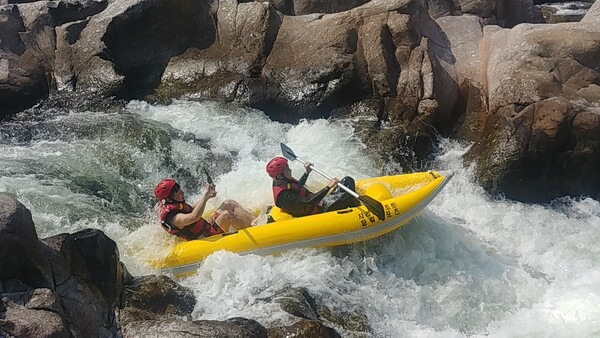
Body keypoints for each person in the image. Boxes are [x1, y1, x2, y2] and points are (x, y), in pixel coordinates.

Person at [154, 179, 254, 240]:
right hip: (205, 237)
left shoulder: (176, 205)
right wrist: (205, 197)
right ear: (169, 198)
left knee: (229, 203)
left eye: (179, 189)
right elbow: (194, 217)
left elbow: (191, 209)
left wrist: (207, 196)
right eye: (177, 192)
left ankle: (256, 222)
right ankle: (254, 231)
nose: (182, 192)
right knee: (226, 215)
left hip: (207, 229)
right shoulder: (174, 218)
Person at [266, 157, 360, 217]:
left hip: (318, 203)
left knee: (347, 180)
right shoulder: (285, 196)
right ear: (279, 175)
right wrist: (328, 187)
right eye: (287, 169)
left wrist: (307, 172)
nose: (290, 170)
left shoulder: (282, 180)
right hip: (318, 211)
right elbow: (309, 202)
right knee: (349, 196)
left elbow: (298, 187)